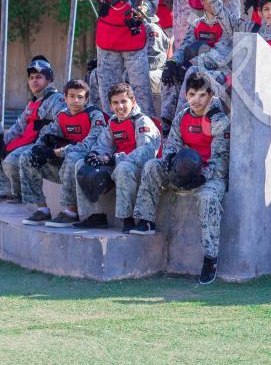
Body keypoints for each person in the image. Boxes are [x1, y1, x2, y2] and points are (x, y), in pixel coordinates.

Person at [132, 72, 229, 284]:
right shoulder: (182, 116)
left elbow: (221, 159)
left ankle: (210, 258)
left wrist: (202, 177)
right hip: (183, 170)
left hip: (209, 176)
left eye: (202, 95)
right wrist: (169, 161)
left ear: (210, 95)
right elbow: (172, 145)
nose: (196, 100)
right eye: (192, 94)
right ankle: (145, 220)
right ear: (186, 95)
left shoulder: (218, 120)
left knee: (208, 198)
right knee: (152, 166)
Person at [72, 0, 159, 116]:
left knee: (141, 93)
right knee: (108, 92)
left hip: (133, 37)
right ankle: (111, 131)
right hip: (108, 39)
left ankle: (148, 130)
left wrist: (142, 10)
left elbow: (153, 0)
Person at [73, 82, 161, 231]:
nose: (120, 106)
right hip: (117, 164)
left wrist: (114, 159)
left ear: (133, 101)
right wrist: (95, 154)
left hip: (140, 170)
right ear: (110, 105)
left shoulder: (142, 121)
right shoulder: (113, 122)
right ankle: (95, 215)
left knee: (123, 168)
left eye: (124, 101)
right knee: (81, 164)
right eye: (115, 103)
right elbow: (103, 145)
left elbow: (146, 152)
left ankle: (128, 220)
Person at [20, 79, 107, 226]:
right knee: (27, 156)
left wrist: (56, 152)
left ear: (86, 100)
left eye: (80, 97)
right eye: (72, 96)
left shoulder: (95, 115)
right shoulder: (62, 115)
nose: (75, 100)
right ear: (65, 98)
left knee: (72, 157)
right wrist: (40, 148)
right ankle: (42, 210)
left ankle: (71, 212)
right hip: (63, 169)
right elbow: (47, 134)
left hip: (87, 168)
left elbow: (89, 146)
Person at [160, 0, 232, 128]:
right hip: (196, 66)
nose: (215, 2)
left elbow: (220, 56)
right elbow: (184, 47)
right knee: (169, 73)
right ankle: (167, 121)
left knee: (191, 71)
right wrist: (172, 62)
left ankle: (180, 121)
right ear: (202, 1)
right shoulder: (197, 23)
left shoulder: (228, 25)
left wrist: (190, 64)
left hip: (221, 72)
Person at [0, 57, 66, 202]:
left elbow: (61, 123)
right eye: (31, 78)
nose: (34, 81)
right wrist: (3, 141)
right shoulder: (33, 102)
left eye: (39, 77)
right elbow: (18, 127)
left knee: (11, 161)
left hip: (44, 145)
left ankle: (21, 196)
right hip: (29, 142)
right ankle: (9, 192)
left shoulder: (57, 99)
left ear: (49, 79)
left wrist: (45, 143)